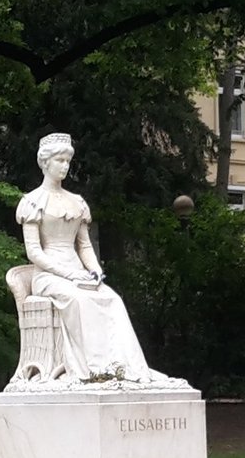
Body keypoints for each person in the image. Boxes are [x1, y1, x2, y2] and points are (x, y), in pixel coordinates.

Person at [15, 133, 157, 382]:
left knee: (112, 299)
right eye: (59, 160)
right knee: (78, 300)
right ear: (45, 163)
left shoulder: (76, 202)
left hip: (79, 273)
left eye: (67, 161)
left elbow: (85, 246)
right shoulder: (33, 201)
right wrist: (69, 273)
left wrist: (95, 271)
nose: (65, 166)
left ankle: (120, 368)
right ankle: (93, 369)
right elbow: (34, 252)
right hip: (48, 276)